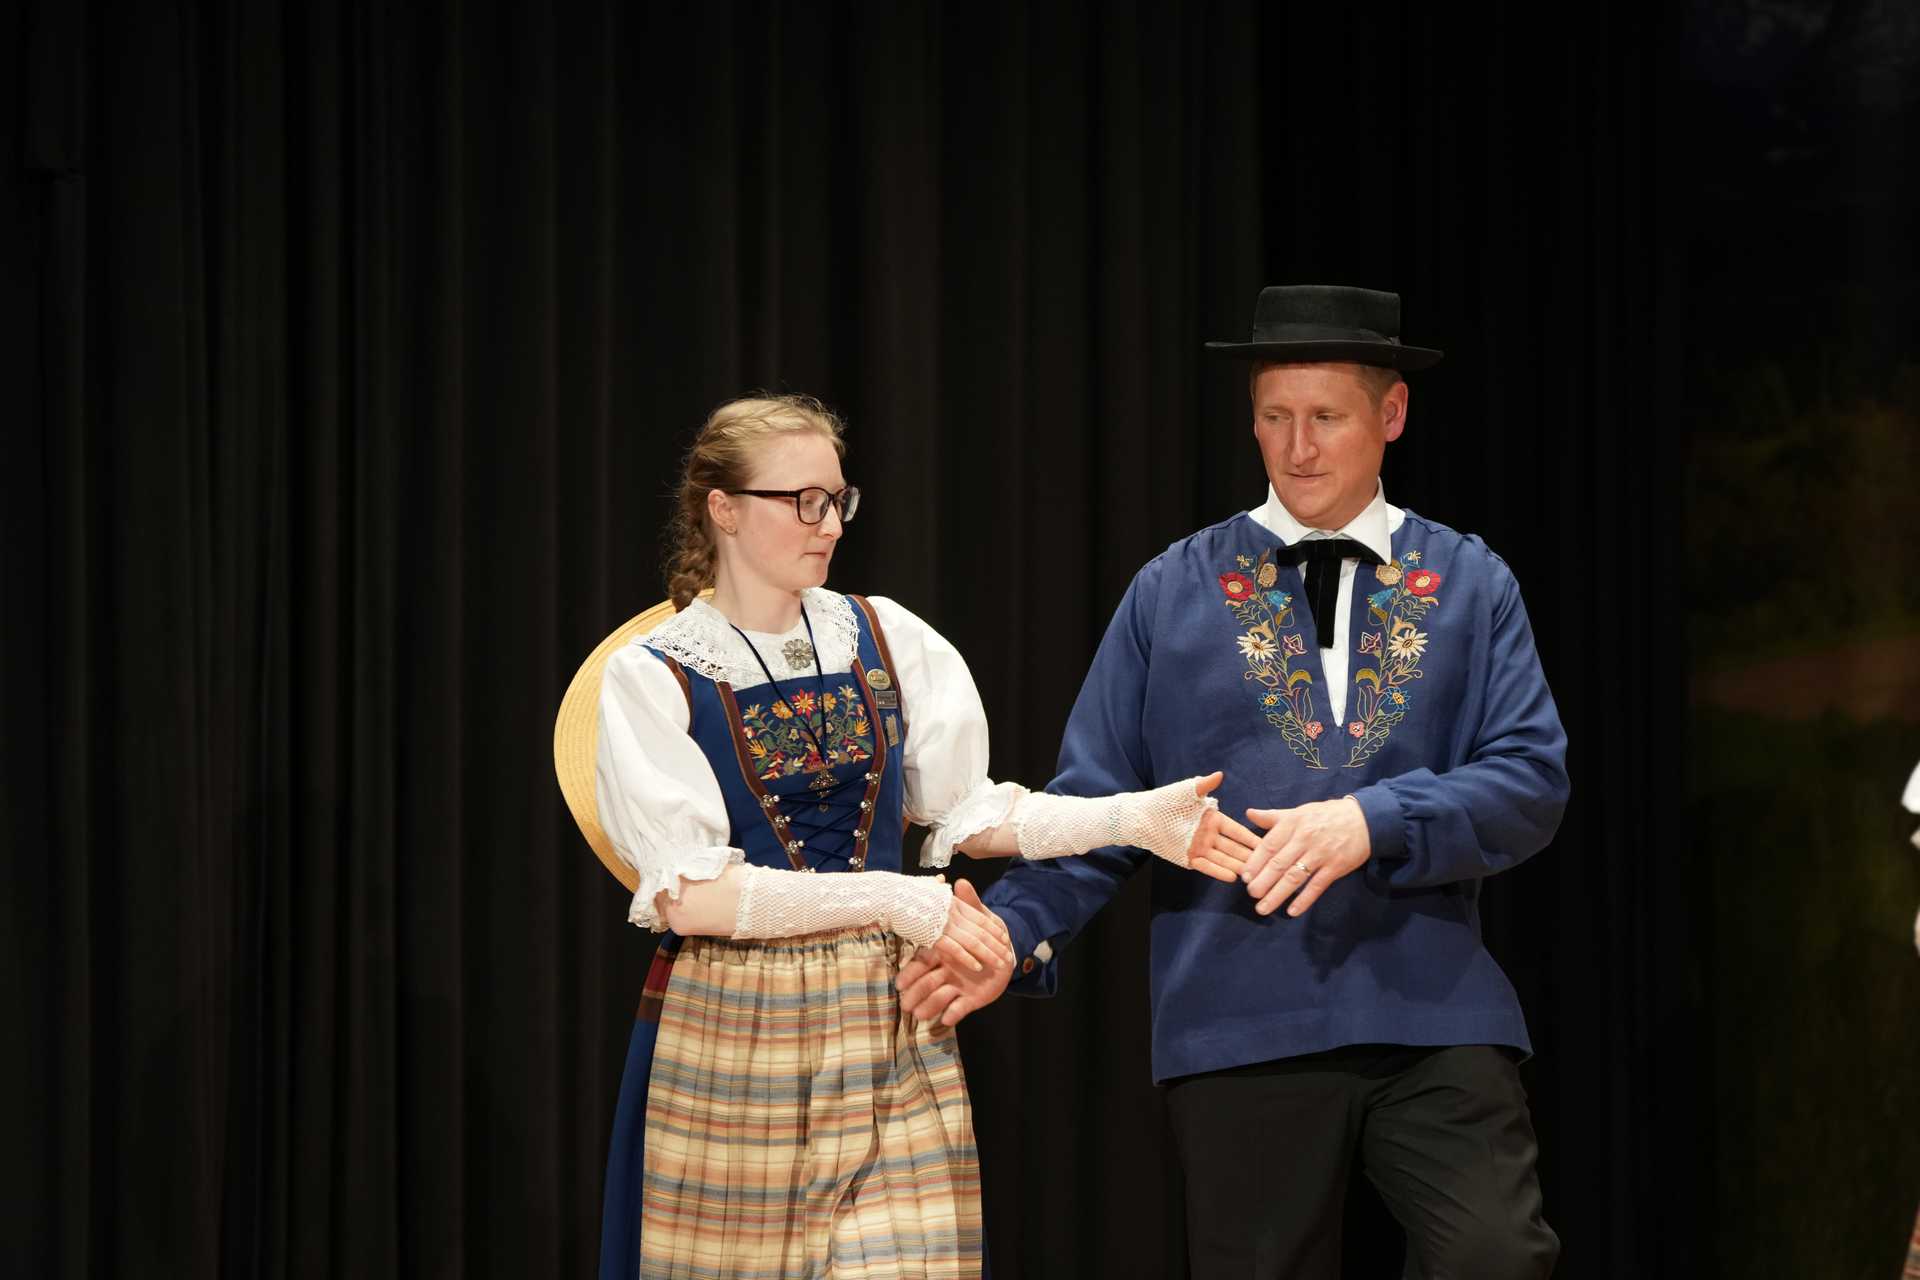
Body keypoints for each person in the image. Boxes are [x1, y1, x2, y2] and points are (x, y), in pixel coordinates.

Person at [899, 287, 1569, 1278]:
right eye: (1274, 416)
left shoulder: (1471, 582)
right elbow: (1099, 803)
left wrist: (1370, 819)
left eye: (1327, 416)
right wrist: (1012, 929)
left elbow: (1529, 779)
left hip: (1432, 1007)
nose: (1297, 447)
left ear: (1391, 414)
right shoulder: (1172, 590)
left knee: (1497, 1254)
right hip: (1238, 1012)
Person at [586, 394, 1256, 1280]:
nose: (829, 524)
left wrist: (1130, 817)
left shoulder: (882, 635)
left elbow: (973, 814)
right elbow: (693, 896)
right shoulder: (655, 675)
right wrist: (898, 898)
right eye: (803, 501)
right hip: (738, 1021)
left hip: (887, 1014)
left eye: (838, 500)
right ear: (724, 509)